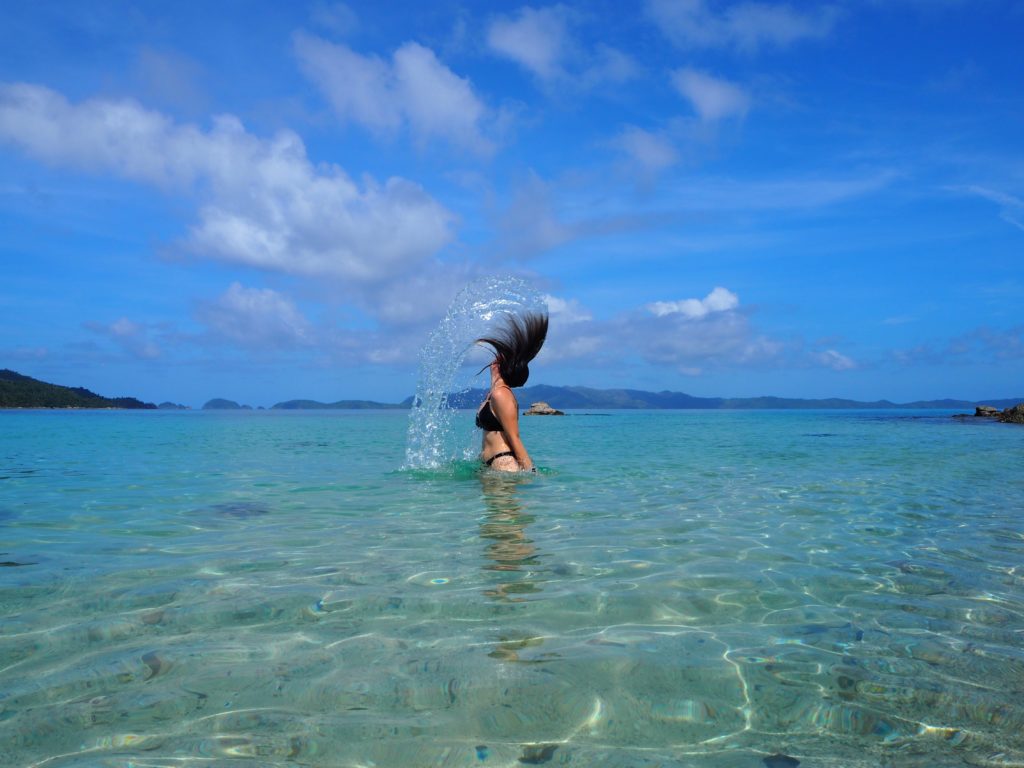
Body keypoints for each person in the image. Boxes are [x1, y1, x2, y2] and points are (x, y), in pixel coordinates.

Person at [475, 312, 548, 472]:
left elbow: (514, 437)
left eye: (498, 360)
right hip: (492, 465)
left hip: (503, 465)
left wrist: (531, 472)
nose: (493, 361)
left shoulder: (502, 395)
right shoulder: (494, 393)